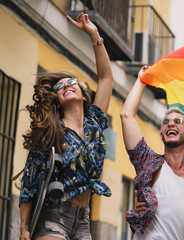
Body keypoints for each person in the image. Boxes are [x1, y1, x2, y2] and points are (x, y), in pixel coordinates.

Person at [18, 12, 113, 240]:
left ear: (82, 94)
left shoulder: (94, 125)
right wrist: (23, 227)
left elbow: (106, 78)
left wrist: (94, 34)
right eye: (60, 86)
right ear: (58, 101)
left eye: (71, 82)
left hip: (84, 220)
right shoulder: (52, 132)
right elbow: (31, 180)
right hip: (54, 215)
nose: (66, 86)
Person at [120, 66, 184, 240]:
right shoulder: (148, 163)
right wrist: (141, 80)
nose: (171, 124)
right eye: (166, 121)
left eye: (177, 121)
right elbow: (126, 116)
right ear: (161, 135)